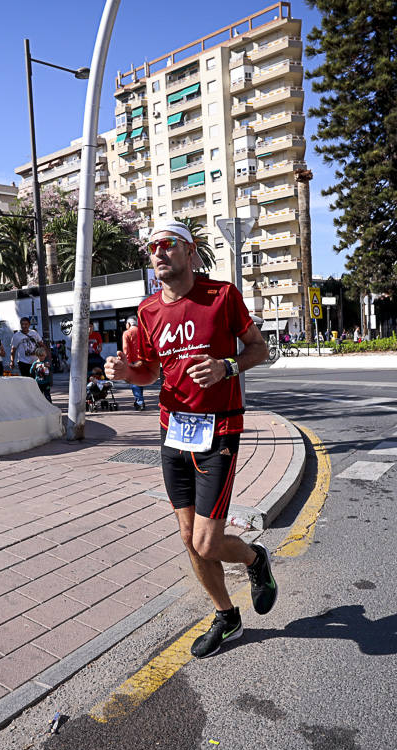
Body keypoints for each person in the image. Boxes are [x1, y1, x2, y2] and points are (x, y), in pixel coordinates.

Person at [105, 220, 275, 659]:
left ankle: (255, 561)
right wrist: (127, 374)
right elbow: (148, 370)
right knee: (187, 536)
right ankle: (227, 616)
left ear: (190, 251)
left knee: (206, 540)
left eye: (168, 245)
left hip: (219, 429)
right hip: (173, 431)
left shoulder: (221, 296)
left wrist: (226, 367)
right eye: (152, 247)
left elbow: (260, 349)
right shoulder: (148, 312)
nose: (158, 252)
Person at [122, 316, 146, 410]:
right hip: (143, 361)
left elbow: (126, 349)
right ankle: (139, 400)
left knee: (134, 382)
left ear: (128, 324)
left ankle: (140, 402)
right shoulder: (142, 332)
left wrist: (127, 362)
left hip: (132, 361)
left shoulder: (127, 333)